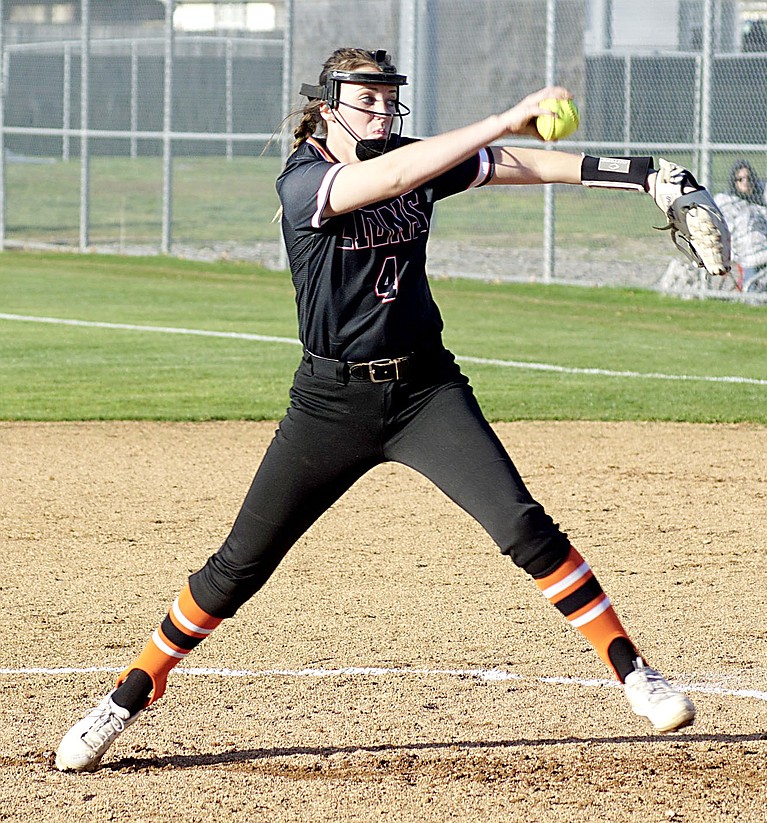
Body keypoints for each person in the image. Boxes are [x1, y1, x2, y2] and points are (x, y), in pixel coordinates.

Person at [55, 47, 727, 773]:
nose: (379, 112)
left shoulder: (409, 157)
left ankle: (636, 673)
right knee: (237, 567)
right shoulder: (306, 181)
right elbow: (392, 177)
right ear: (326, 106)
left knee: (523, 526)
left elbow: (513, 166)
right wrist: (504, 116)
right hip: (331, 402)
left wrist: (646, 176)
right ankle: (127, 695)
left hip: (424, 391)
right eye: (364, 100)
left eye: (387, 100)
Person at [715, 159, 767, 291]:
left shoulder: (763, 201)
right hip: (743, 248)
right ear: (734, 182)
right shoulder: (729, 202)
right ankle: (752, 294)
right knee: (749, 240)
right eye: (740, 179)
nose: (745, 182)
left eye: (748, 178)